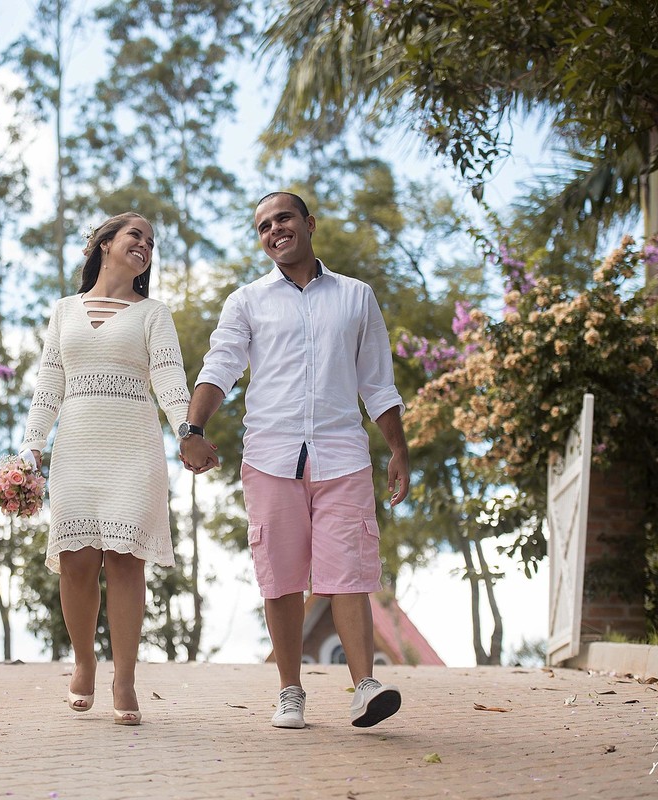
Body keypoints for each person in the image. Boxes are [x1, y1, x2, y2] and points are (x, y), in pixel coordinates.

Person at [180, 191, 410, 729]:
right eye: (263, 226)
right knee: (280, 578)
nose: (274, 230)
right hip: (271, 456)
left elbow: (377, 382)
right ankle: (290, 692)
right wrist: (193, 429)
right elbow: (221, 367)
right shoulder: (247, 301)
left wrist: (398, 449)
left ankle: (365, 688)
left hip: (343, 455)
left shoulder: (356, 296)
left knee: (349, 574)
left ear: (309, 223)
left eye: (282, 218)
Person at [20, 212, 195, 727]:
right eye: (135, 235)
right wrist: (32, 445)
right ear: (104, 244)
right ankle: (84, 662)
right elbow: (49, 382)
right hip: (76, 449)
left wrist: (188, 432)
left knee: (124, 561)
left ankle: (125, 677)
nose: (145, 245)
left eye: (151, 241)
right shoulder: (64, 311)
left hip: (134, 450)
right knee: (75, 560)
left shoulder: (154, 314)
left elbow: (170, 381)